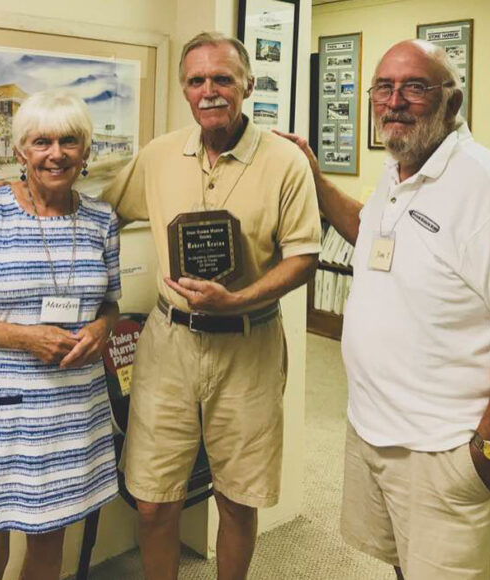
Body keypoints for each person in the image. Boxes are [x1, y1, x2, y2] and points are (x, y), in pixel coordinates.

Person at [279, 39, 490, 580]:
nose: (394, 100)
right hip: (377, 429)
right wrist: (315, 177)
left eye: (415, 87)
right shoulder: (400, 167)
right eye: (384, 87)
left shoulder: (489, 189)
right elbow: (369, 229)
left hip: (446, 446)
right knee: (404, 561)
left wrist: (488, 454)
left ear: (452, 100)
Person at [102, 31, 320, 580]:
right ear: (184, 89)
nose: (210, 91)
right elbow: (97, 208)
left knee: (237, 498)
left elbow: (303, 257)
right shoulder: (159, 156)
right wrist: (18, 190)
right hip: (168, 344)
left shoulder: (285, 162)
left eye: (223, 78)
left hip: (248, 344)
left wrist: (238, 298)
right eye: (197, 80)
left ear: (246, 83)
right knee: (153, 500)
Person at [0, 91, 121, 580]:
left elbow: (111, 303)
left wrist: (101, 328)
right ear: (20, 153)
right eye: (42, 142)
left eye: (69, 141)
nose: (57, 153)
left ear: (86, 150)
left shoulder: (101, 219)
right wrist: (24, 338)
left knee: (50, 544)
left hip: (71, 410)